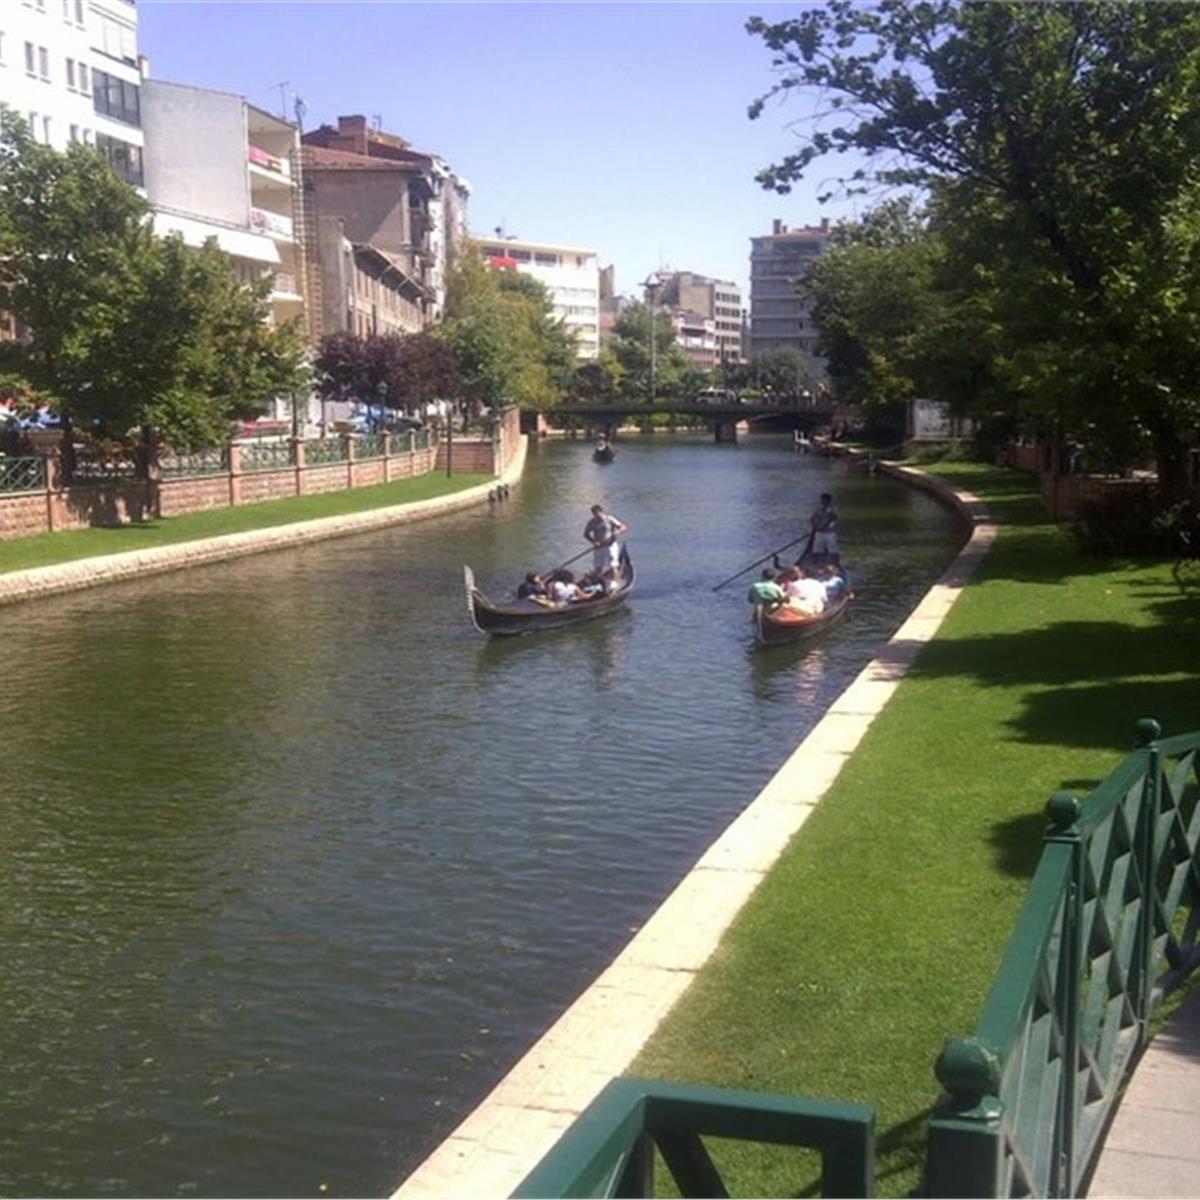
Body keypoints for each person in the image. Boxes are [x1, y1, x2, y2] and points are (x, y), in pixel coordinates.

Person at [584, 503, 628, 589]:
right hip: (599, 547)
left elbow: (623, 527)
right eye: (594, 514)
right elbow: (586, 534)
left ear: (602, 512)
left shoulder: (610, 519)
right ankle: (597, 584)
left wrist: (617, 532)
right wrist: (594, 542)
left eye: (597, 514)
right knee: (598, 568)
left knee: (613, 565)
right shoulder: (592, 522)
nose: (596, 516)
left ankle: (615, 583)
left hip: (610, 545)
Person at [809, 492, 839, 564]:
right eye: (823, 501)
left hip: (829, 533)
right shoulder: (818, 511)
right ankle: (818, 565)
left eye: (826, 501)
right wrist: (815, 527)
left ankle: (833, 564)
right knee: (817, 551)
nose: (824, 503)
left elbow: (832, 521)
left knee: (832, 551)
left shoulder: (832, 512)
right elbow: (812, 519)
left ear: (829, 502)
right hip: (819, 533)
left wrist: (823, 527)